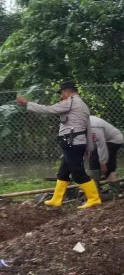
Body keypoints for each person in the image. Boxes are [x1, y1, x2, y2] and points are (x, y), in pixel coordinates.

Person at [16, 80, 102, 209]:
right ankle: (56, 199)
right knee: (63, 173)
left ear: (67, 91)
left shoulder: (71, 102)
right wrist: (89, 146)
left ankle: (94, 198)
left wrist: (27, 104)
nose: (61, 96)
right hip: (75, 142)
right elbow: (88, 127)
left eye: (61, 93)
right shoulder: (82, 104)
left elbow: (48, 109)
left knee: (78, 173)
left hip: (72, 143)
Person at [86, 115, 124, 183]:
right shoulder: (78, 123)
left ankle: (94, 186)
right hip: (103, 141)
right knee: (109, 164)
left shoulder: (93, 126)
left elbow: (101, 145)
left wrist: (102, 163)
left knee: (94, 160)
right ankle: (113, 188)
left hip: (113, 140)